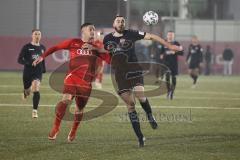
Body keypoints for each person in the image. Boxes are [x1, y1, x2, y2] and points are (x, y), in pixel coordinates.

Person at [103, 15, 182, 147]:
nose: (121, 23)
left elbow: (152, 36)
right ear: (113, 23)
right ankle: (140, 137)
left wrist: (169, 45)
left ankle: (150, 115)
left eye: (123, 21)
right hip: (120, 75)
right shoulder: (107, 38)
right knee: (130, 105)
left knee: (140, 95)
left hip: (134, 69)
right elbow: (105, 51)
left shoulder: (131, 34)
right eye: (118, 21)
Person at [33, 23, 110, 142]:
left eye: (94, 30)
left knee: (79, 109)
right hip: (72, 77)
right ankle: (56, 127)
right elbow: (55, 48)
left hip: (86, 84)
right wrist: (42, 57)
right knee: (66, 99)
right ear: (83, 31)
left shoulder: (96, 47)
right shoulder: (73, 42)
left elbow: (109, 60)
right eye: (91, 29)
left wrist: (98, 50)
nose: (93, 31)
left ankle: (73, 130)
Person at [17, 29, 46, 118]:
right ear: (32, 36)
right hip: (28, 72)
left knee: (36, 88)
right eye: (35, 34)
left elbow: (43, 59)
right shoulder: (26, 47)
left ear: (41, 36)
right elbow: (19, 60)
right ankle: (25, 92)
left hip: (38, 72)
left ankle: (34, 111)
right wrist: (30, 63)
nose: (37, 35)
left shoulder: (43, 48)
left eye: (39, 34)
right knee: (28, 91)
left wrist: (44, 69)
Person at [159, 31, 184, 100]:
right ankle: (168, 91)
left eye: (171, 35)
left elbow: (182, 53)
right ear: (167, 36)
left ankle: (172, 93)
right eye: (169, 35)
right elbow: (161, 54)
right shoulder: (163, 43)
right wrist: (165, 54)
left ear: (173, 36)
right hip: (166, 64)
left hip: (174, 64)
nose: (170, 36)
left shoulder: (176, 43)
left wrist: (176, 51)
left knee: (173, 78)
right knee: (167, 77)